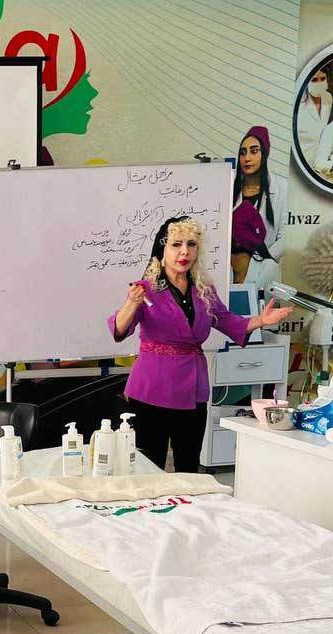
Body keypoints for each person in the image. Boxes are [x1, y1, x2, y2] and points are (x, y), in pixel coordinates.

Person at [109, 216, 293, 472]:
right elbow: (119, 329)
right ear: (162, 249)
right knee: (149, 470)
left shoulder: (203, 289)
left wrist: (260, 320)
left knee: (188, 466)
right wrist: (131, 303)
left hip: (192, 389)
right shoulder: (146, 289)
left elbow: (228, 321)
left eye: (191, 244)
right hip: (151, 389)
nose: (184, 251)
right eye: (176, 244)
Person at [230, 126, 288, 289]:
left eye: (254, 151)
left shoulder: (282, 188)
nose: (247, 158)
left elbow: (286, 236)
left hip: (262, 273)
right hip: (231, 272)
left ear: (265, 153)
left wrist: (266, 259)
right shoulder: (229, 186)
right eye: (243, 152)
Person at [297, 63, 333, 166]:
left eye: (323, 78)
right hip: (302, 161)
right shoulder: (299, 105)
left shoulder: (328, 97)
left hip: (321, 163)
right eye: (314, 80)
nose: (319, 83)